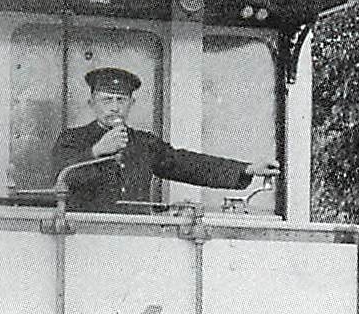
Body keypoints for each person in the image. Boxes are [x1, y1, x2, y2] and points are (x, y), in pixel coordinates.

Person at [49, 67, 279, 212]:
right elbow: (61, 176)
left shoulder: (144, 144)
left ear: (131, 104)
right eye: (106, 100)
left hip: (138, 238)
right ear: (92, 103)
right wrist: (97, 151)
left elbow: (187, 165)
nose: (114, 107)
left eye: (121, 100)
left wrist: (246, 169)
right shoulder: (72, 139)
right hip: (84, 240)